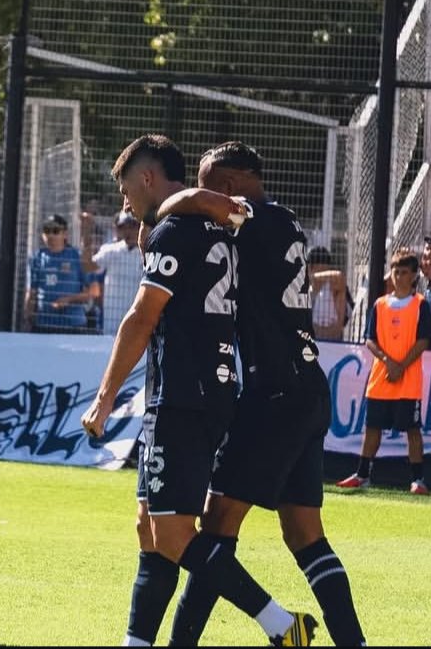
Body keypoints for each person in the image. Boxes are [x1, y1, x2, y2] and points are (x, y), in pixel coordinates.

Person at [78, 135, 315, 647]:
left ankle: (281, 624)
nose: (124, 202)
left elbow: (141, 317)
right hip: (208, 389)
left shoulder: (175, 228)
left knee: (172, 534)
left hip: (184, 394)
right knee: (150, 527)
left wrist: (104, 397)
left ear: (148, 178)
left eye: (126, 189)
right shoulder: (213, 226)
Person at [151, 140, 364, 646]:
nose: (203, 195)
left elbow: (185, 206)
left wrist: (171, 203)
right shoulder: (284, 220)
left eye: (208, 185)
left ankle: (191, 643)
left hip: (275, 392)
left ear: (229, 186)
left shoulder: (248, 218)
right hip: (308, 387)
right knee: (304, 533)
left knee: (217, 523)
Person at [336, 250, 431, 495]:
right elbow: (370, 339)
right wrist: (388, 362)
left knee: (412, 429)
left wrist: (401, 366)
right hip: (381, 378)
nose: (398, 277)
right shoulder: (380, 304)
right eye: (395, 272)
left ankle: (418, 479)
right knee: (372, 428)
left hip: (408, 380)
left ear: (414, 276)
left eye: (404, 272)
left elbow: (422, 341)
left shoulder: (421, 305)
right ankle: (362, 474)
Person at [24, 214, 91, 333]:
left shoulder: (76, 256)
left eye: (55, 231)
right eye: (46, 231)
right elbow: (31, 292)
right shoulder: (37, 258)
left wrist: (68, 299)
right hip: (44, 324)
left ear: (65, 234)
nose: (50, 235)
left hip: (73, 325)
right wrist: (27, 318)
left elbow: (90, 293)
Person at [82, 210, 143, 336]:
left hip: (138, 321)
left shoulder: (148, 253)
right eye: (123, 227)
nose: (128, 231)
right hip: (112, 322)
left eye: (132, 226)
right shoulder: (111, 250)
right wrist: (86, 234)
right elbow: (88, 267)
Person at [307, 247, 350, 341]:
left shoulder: (333, 288)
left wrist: (312, 276)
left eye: (324, 271)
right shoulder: (304, 292)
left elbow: (339, 276)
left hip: (331, 344)